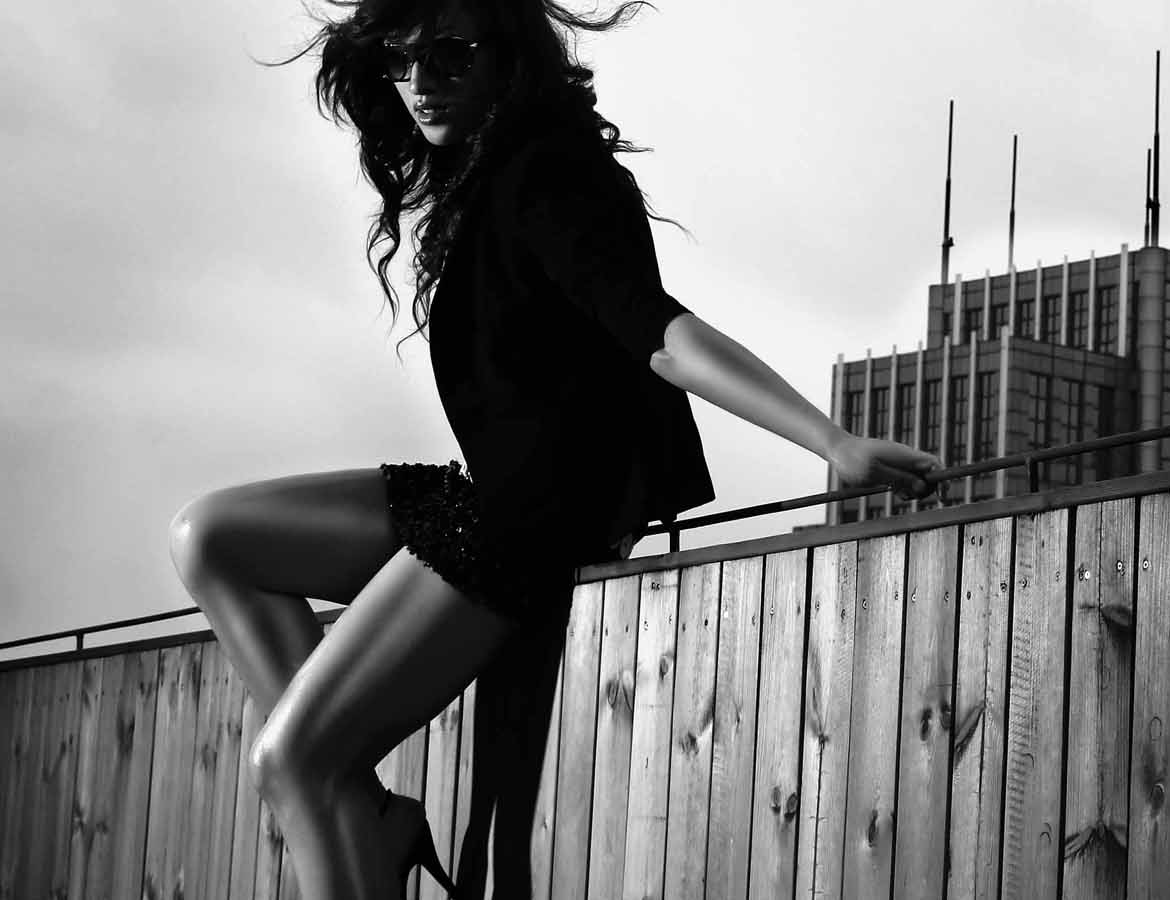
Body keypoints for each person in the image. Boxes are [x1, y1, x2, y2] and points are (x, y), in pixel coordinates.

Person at [165, 1, 942, 898]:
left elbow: (660, 334)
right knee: (209, 537)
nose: (421, 84)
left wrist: (831, 440)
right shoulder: (482, 180)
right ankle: (363, 807)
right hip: (485, 500)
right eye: (401, 62)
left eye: (450, 55)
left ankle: (341, 802)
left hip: (531, 528)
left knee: (288, 760)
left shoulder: (552, 172)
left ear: (509, 56)